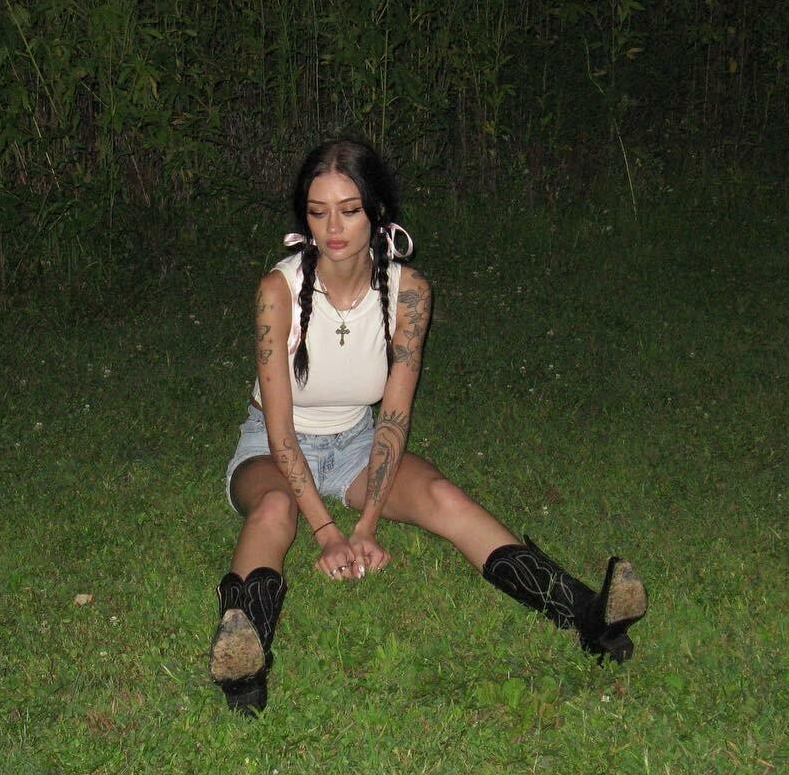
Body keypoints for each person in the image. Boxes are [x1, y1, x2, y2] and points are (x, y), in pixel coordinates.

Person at [209, 138, 648, 714]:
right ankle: (242, 660)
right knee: (275, 509)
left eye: (349, 210)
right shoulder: (278, 291)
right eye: (318, 212)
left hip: (357, 442)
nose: (333, 228)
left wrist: (366, 525)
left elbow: (393, 417)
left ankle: (587, 615)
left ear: (376, 211)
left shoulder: (409, 292)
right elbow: (280, 430)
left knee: (442, 495)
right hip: (272, 446)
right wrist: (329, 533)